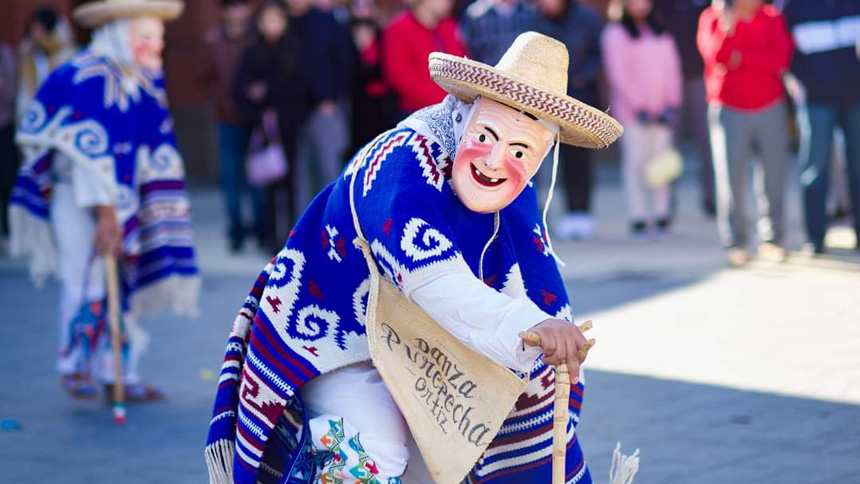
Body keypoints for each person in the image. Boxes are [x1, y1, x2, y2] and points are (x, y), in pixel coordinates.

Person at [205, 32, 622, 484]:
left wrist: (556, 343)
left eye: (521, 151)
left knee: (452, 455)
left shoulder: (515, 193)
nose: (498, 160)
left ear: (541, 157)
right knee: (371, 449)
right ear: (466, 114)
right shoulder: (402, 162)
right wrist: (532, 327)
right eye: (487, 136)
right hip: (339, 335)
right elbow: (433, 281)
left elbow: (537, 286)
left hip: (424, 341)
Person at [9, 0, 199, 401]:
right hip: (76, 194)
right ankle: (74, 365)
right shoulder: (91, 75)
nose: (155, 47)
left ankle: (118, 369)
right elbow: (85, 154)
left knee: (122, 281)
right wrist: (106, 215)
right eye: (145, 38)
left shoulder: (137, 77)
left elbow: (151, 143)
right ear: (120, 33)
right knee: (86, 277)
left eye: (158, 39)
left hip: (121, 195)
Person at [697, 0, 793, 266]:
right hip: (729, 107)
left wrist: (742, 59)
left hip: (770, 104)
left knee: (774, 174)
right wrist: (728, 27)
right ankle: (736, 242)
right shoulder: (712, 18)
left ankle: (773, 239)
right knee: (731, 178)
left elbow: (780, 59)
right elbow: (717, 57)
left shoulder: (772, 17)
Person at [778, 0, 860, 254]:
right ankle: (814, 237)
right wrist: (802, 88)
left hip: (855, 97)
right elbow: (784, 53)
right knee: (815, 167)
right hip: (816, 100)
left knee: (858, 166)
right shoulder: (793, 6)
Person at [234, 0, 312, 251]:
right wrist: (256, 115)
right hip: (260, 128)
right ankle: (269, 238)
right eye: (266, 20)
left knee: (289, 185)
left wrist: (267, 91)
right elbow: (240, 90)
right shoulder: (251, 52)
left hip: (288, 126)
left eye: (276, 20)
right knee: (266, 186)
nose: (271, 26)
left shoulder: (295, 49)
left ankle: (290, 236)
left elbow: (300, 88)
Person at [603, 0, 682, 238]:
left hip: (662, 112)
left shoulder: (660, 31)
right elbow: (619, 74)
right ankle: (638, 215)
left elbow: (672, 69)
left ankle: (662, 212)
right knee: (636, 162)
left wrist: (671, 102)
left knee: (661, 163)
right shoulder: (616, 33)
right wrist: (638, 106)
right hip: (634, 113)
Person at [534, 0, 604, 240]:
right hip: (549, 101)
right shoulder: (537, 20)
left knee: (580, 158)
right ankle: (551, 215)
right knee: (547, 159)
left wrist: (582, 77)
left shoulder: (587, 18)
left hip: (581, 98)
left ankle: (581, 212)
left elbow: (598, 53)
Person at [201, 0, 262, 252]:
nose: (237, 12)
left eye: (241, 6)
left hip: (254, 117)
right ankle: (235, 231)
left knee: (259, 177)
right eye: (232, 7)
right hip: (227, 119)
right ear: (224, 11)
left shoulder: (257, 38)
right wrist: (216, 100)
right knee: (231, 179)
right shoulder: (213, 41)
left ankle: (261, 229)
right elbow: (204, 77)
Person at [286, 0, 356, 218]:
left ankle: (333, 226)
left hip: (323, 108)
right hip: (289, 110)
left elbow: (346, 61)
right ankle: (301, 232)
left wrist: (331, 97)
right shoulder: (278, 20)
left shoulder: (325, 21)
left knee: (329, 170)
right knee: (297, 177)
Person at [653, 0, 716, 217]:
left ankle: (713, 198)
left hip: (701, 77)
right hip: (667, 79)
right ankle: (664, 204)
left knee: (709, 141)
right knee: (666, 144)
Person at [382, 0, 468, 117]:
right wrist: (448, 97)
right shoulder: (398, 29)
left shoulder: (449, 26)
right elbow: (401, 79)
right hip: (416, 115)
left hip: (454, 111)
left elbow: (462, 66)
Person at [347, 0, 398, 154]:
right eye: (359, 7)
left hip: (383, 103)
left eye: (367, 7)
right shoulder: (345, 35)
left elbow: (387, 68)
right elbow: (351, 72)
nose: (363, 12)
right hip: (359, 104)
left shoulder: (383, 35)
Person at [16, 7, 78, 121]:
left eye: (39, 27)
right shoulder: (28, 52)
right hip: (34, 108)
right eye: (33, 27)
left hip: (58, 110)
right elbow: (24, 89)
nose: (35, 32)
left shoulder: (65, 52)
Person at [460, 0, 537, 66]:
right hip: (487, 78)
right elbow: (471, 52)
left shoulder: (530, 12)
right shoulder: (475, 16)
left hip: (522, 77)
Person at [0, 42, 17, 249]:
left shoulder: (5, 55)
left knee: (6, 179)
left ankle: (7, 230)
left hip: (3, 125)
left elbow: (9, 90)